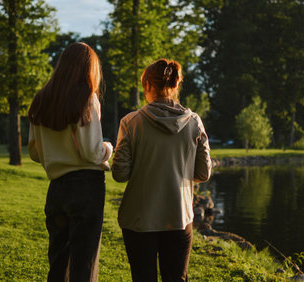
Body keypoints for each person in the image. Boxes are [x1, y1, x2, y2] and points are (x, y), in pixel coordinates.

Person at [112, 58, 212, 282]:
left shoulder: (130, 122)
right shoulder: (194, 122)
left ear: (147, 85)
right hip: (179, 216)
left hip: (139, 219)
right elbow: (203, 173)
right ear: (176, 85)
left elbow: (120, 174)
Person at [28, 42, 113, 282]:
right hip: (86, 187)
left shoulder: (41, 99)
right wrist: (108, 147)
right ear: (89, 68)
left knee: (58, 263)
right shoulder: (87, 98)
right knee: (84, 263)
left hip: (56, 188)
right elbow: (91, 152)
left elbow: (34, 152)